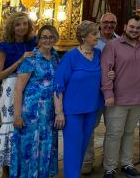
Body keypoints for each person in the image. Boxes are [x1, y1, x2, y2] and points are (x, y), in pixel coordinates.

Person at [101, 15, 140, 178]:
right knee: (114, 133)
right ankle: (110, 167)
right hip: (118, 99)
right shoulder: (112, 46)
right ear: (124, 27)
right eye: (132, 27)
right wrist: (108, 94)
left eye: (138, 27)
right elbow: (106, 71)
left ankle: (126, 163)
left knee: (129, 132)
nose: (134, 30)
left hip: (138, 99)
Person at [54, 21, 104, 178]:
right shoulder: (70, 57)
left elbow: (104, 75)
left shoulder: (98, 54)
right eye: (94, 34)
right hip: (72, 110)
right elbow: (58, 85)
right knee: (73, 148)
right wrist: (59, 112)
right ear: (83, 37)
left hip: (92, 108)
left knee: (82, 147)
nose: (98, 36)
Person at [11, 24, 60, 178]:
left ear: (55, 38)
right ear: (39, 39)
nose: (48, 40)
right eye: (44, 37)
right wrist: (17, 115)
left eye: (51, 37)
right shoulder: (31, 59)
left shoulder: (55, 57)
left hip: (49, 111)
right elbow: (18, 89)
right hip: (31, 112)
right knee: (31, 145)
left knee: (46, 144)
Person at [0, 12, 36, 177]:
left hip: (29, 86)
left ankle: (23, 167)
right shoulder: (4, 47)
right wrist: (20, 60)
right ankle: (6, 171)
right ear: (12, 27)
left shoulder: (32, 43)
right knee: (12, 125)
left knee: (26, 125)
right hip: (10, 87)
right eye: (18, 25)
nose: (22, 27)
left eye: (24, 23)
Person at [83, 12, 120, 174]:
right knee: (89, 127)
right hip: (94, 93)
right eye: (106, 22)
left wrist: (116, 73)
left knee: (113, 129)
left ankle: (109, 161)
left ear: (116, 25)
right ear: (100, 23)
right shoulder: (93, 41)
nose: (109, 25)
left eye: (112, 22)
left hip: (115, 94)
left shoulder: (121, 42)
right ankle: (87, 161)